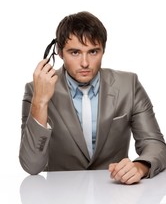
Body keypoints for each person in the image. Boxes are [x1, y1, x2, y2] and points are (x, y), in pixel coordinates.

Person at [19, 11, 166, 185]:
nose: (85, 63)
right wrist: (40, 101)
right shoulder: (35, 90)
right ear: (58, 52)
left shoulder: (129, 85)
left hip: (116, 192)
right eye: (75, 52)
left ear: (103, 50)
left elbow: (155, 145)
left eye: (93, 51)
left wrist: (140, 166)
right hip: (60, 195)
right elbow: (32, 165)